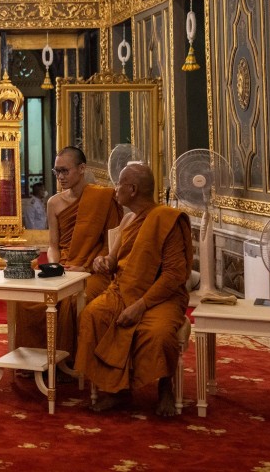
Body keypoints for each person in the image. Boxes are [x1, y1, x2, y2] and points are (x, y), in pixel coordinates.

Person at [75, 162, 192, 417]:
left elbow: (174, 275)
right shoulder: (129, 219)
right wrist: (103, 261)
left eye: (119, 184)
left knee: (158, 333)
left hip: (161, 297)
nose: (115, 189)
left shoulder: (166, 220)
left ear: (132, 189)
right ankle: (116, 390)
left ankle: (165, 389)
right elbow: (115, 259)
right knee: (93, 315)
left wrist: (141, 306)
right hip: (124, 289)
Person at [12, 147, 122, 357]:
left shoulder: (104, 198)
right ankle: (34, 359)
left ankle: (67, 362)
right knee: (28, 301)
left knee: (71, 300)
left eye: (65, 171)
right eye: (56, 172)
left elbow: (110, 245)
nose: (60, 177)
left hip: (93, 271)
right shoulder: (54, 202)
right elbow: (53, 245)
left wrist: (87, 267)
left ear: (82, 168)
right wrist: (55, 265)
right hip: (64, 267)